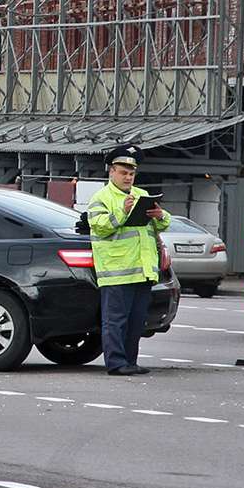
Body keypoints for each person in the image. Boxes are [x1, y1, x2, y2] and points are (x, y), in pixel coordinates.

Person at [87, 143, 172, 376]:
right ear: (111, 171)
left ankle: (130, 361)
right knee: (115, 321)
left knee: (136, 322)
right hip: (116, 271)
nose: (128, 177)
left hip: (142, 270)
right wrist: (122, 212)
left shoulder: (141, 195)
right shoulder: (101, 198)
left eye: (132, 173)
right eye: (123, 172)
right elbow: (99, 226)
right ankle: (115, 363)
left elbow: (163, 224)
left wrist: (160, 215)